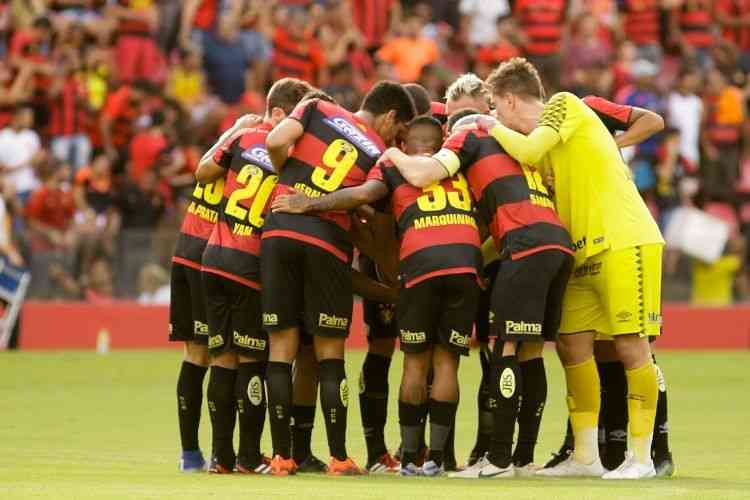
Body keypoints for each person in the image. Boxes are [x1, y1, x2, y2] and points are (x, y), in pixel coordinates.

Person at [476, 57, 664, 479]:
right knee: (571, 346)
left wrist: (489, 127)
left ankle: (642, 458)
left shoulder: (564, 105)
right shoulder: (546, 154)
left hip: (623, 239)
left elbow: (527, 147)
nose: (493, 114)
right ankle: (585, 456)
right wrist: (476, 255)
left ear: (508, 99)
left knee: (631, 344)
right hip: (580, 253)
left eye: (494, 106)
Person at [271, 115, 482, 477]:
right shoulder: (458, 168)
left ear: (405, 144)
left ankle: (410, 460)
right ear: (441, 142)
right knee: (447, 363)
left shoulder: (393, 165)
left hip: (421, 264)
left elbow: (360, 196)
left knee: (415, 363)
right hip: (465, 262)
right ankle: (437, 459)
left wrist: (310, 203)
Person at [260, 81, 415, 476]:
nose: (397, 140)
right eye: (398, 132)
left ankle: (281, 457)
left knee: (281, 347)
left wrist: (290, 178)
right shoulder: (382, 155)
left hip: (278, 229)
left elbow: (276, 140)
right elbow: (368, 213)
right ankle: (338, 457)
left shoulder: (316, 108)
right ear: (391, 116)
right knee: (330, 354)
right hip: (326, 242)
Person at [193, 77, 312, 474]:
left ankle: (220, 458)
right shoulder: (291, 155)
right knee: (251, 361)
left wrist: (233, 129)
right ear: (279, 112)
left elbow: (202, 171)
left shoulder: (241, 139)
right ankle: (247, 457)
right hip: (249, 264)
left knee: (221, 359)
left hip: (213, 258)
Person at [168, 107, 262, 472]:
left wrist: (235, 128)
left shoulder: (232, 145)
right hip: (218, 255)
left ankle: (193, 454)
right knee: (231, 356)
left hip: (188, 249)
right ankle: (229, 454)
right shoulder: (260, 152)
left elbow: (204, 168)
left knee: (198, 355)